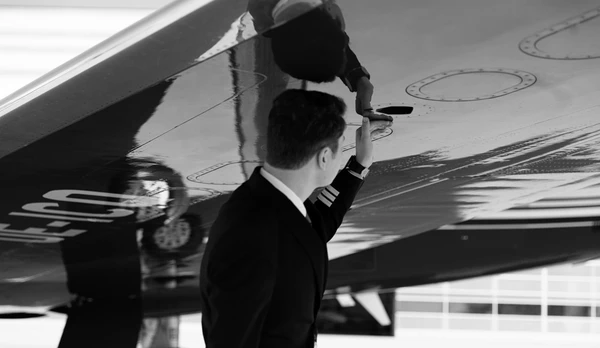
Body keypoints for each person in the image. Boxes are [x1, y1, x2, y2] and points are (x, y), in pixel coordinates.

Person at [199, 89, 392, 347]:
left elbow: (314, 228)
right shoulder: (250, 233)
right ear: (324, 157)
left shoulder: (270, 201)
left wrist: (358, 165)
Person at [247, 0, 393, 121]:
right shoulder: (266, 23)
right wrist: (358, 77)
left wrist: (358, 78)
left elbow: (319, 35)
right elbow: (312, 35)